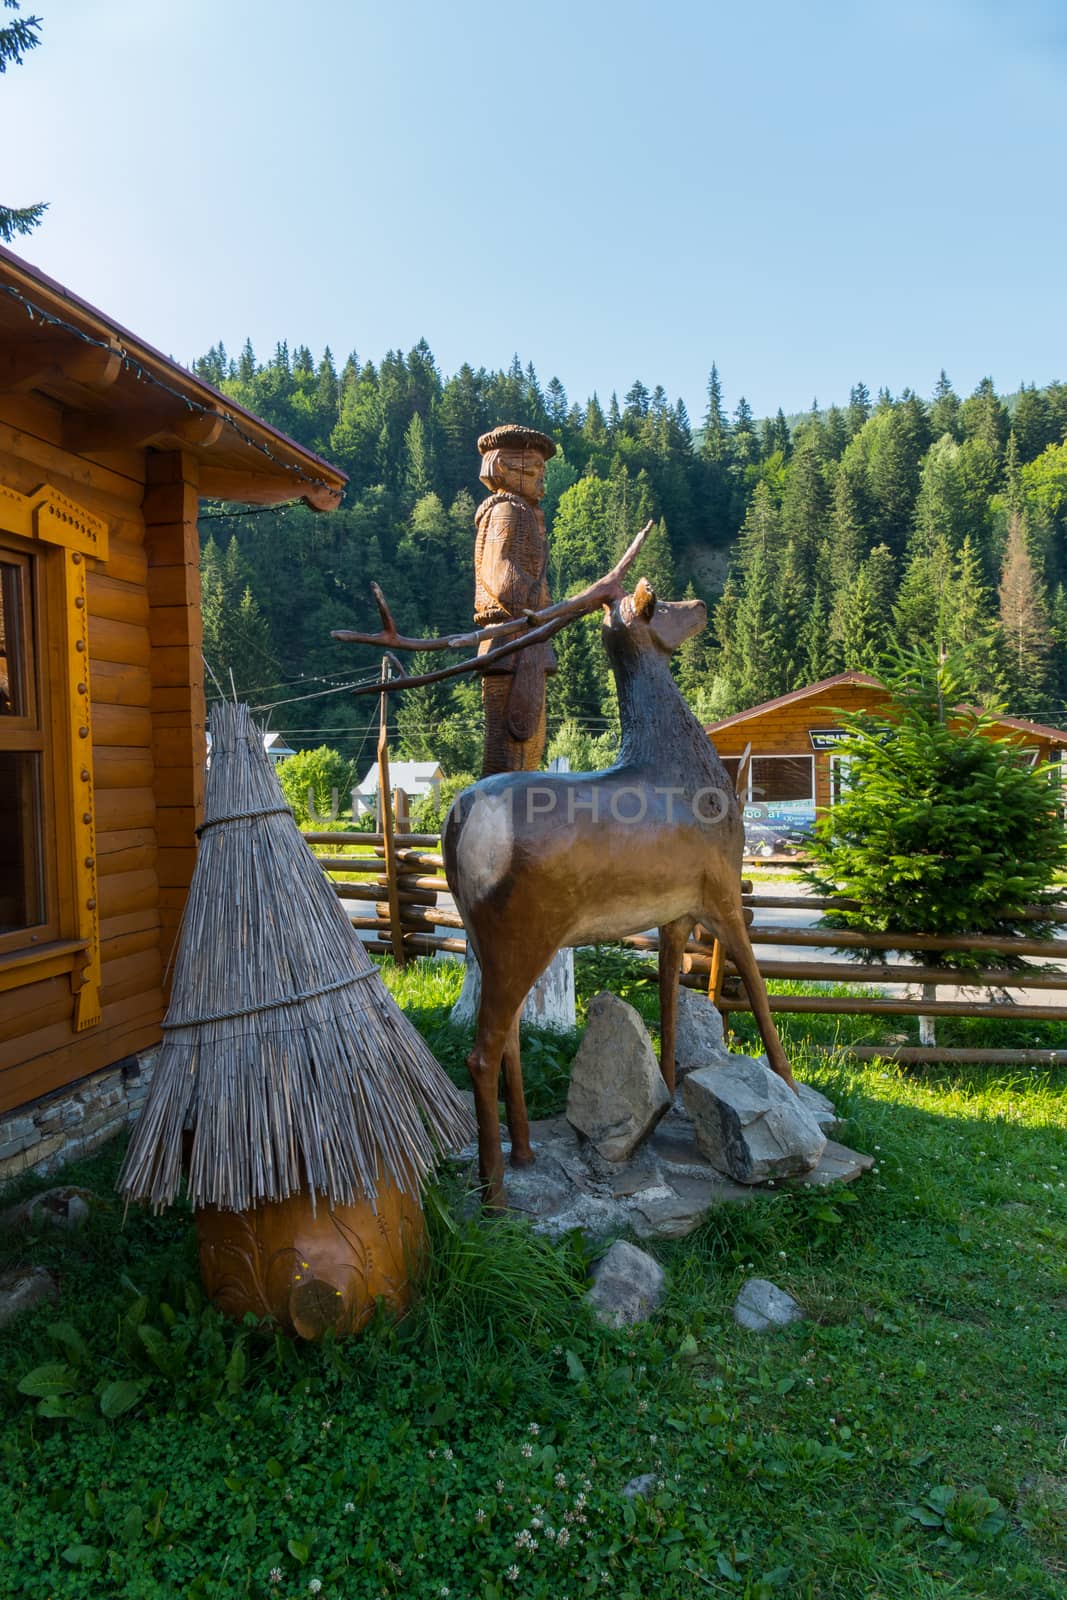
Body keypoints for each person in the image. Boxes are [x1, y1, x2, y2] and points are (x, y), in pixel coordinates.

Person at [473, 424, 557, 774]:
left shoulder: (525, 514)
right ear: (503, 468)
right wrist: (543, 602)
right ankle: (501, 820)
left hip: (526, 643)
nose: (541, 479)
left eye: (542, 471)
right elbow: (500, 574)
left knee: (527, 748)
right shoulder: (508, 511)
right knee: (510, 746)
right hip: (511, 643)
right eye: (531, 469)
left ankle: (514, 816)